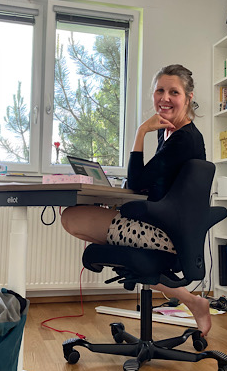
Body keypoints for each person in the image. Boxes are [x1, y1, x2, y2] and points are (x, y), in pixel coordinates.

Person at [61, 64, 212, 337]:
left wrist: (140, 131)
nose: (165, 98)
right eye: (160, 90)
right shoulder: (169, 133)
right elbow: (147, 183)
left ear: (188, 97)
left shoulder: (183, 139)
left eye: (173, 92)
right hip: (168, 226)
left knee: (71, 217)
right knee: (92, 219)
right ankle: (193, 301)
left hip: (163, 232)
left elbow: (139, 181)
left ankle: (182, 293)